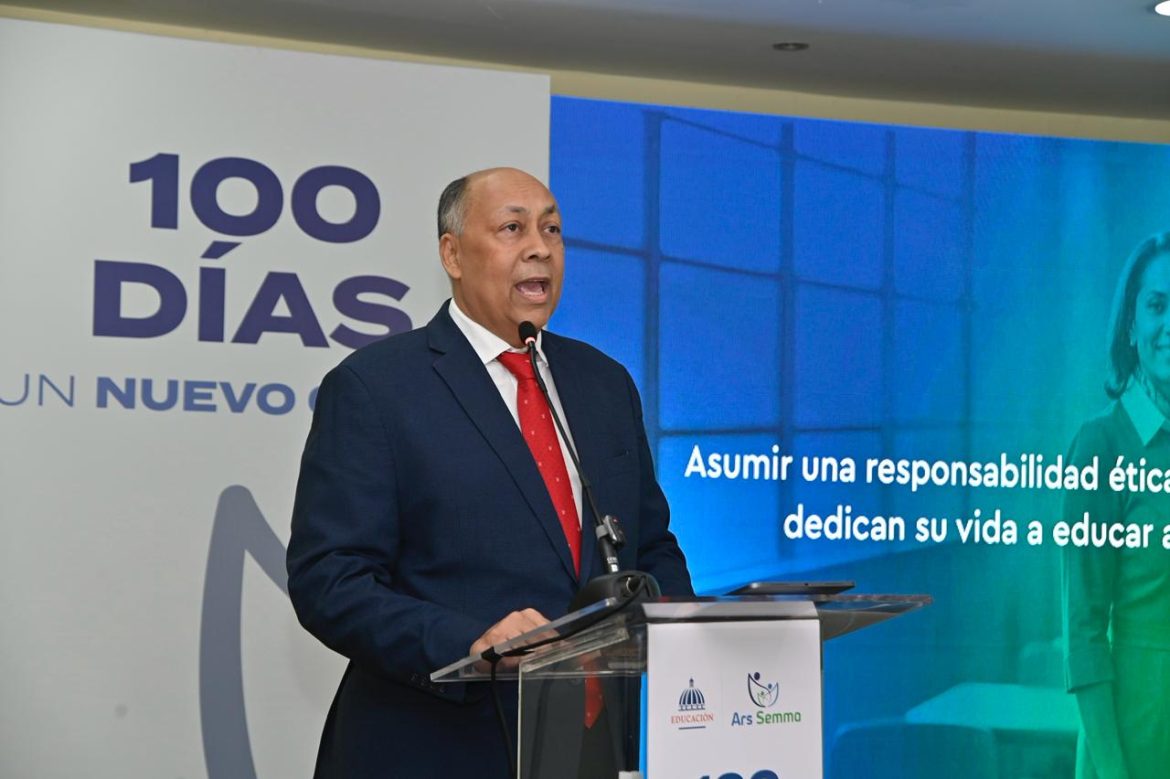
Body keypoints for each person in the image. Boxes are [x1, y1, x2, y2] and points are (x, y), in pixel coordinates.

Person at [287, 167, 693, 778]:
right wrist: (469, 641)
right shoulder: (377, 388)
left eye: (552, 229)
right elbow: (329, 579)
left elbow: (650, 545)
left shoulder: (604, 384)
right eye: (512, 228)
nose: (540, 247)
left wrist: (683, 630)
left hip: (588, 746)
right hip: (434, 746)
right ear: (452, 254)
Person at [1063, 231, 1170, 779]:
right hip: (1132, 741)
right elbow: (1084, 635)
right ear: (1131, 325)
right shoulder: (1100, 445)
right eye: (1157, 305)